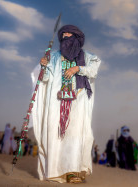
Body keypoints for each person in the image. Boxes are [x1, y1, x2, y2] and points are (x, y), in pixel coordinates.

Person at [32, 25, 101, 183]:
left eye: (69, 34)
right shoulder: (55, 57)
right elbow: (45, 79)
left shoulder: (88, 56)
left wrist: (78, 68)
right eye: (63, 35)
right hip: (57, 102)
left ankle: (73, 171)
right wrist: (43, 66)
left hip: (78, 100)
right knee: (56, 135)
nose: (65, 36)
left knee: (75, 135)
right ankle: (57, 171)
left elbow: (94, 70)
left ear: (76, 37)